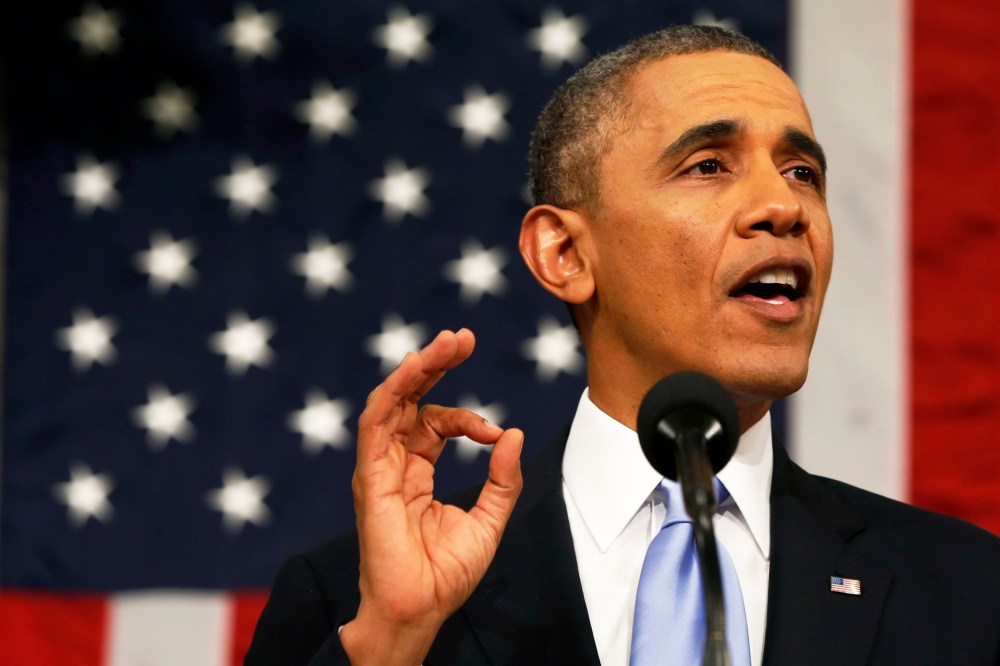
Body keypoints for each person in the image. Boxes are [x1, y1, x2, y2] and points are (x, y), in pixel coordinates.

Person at [245, 25, 1000, 666]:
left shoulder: (967, 590)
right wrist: (394, 642)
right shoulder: (356, 598)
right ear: (565, 254)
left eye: (803, 172)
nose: (783, 206)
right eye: (708, 166)